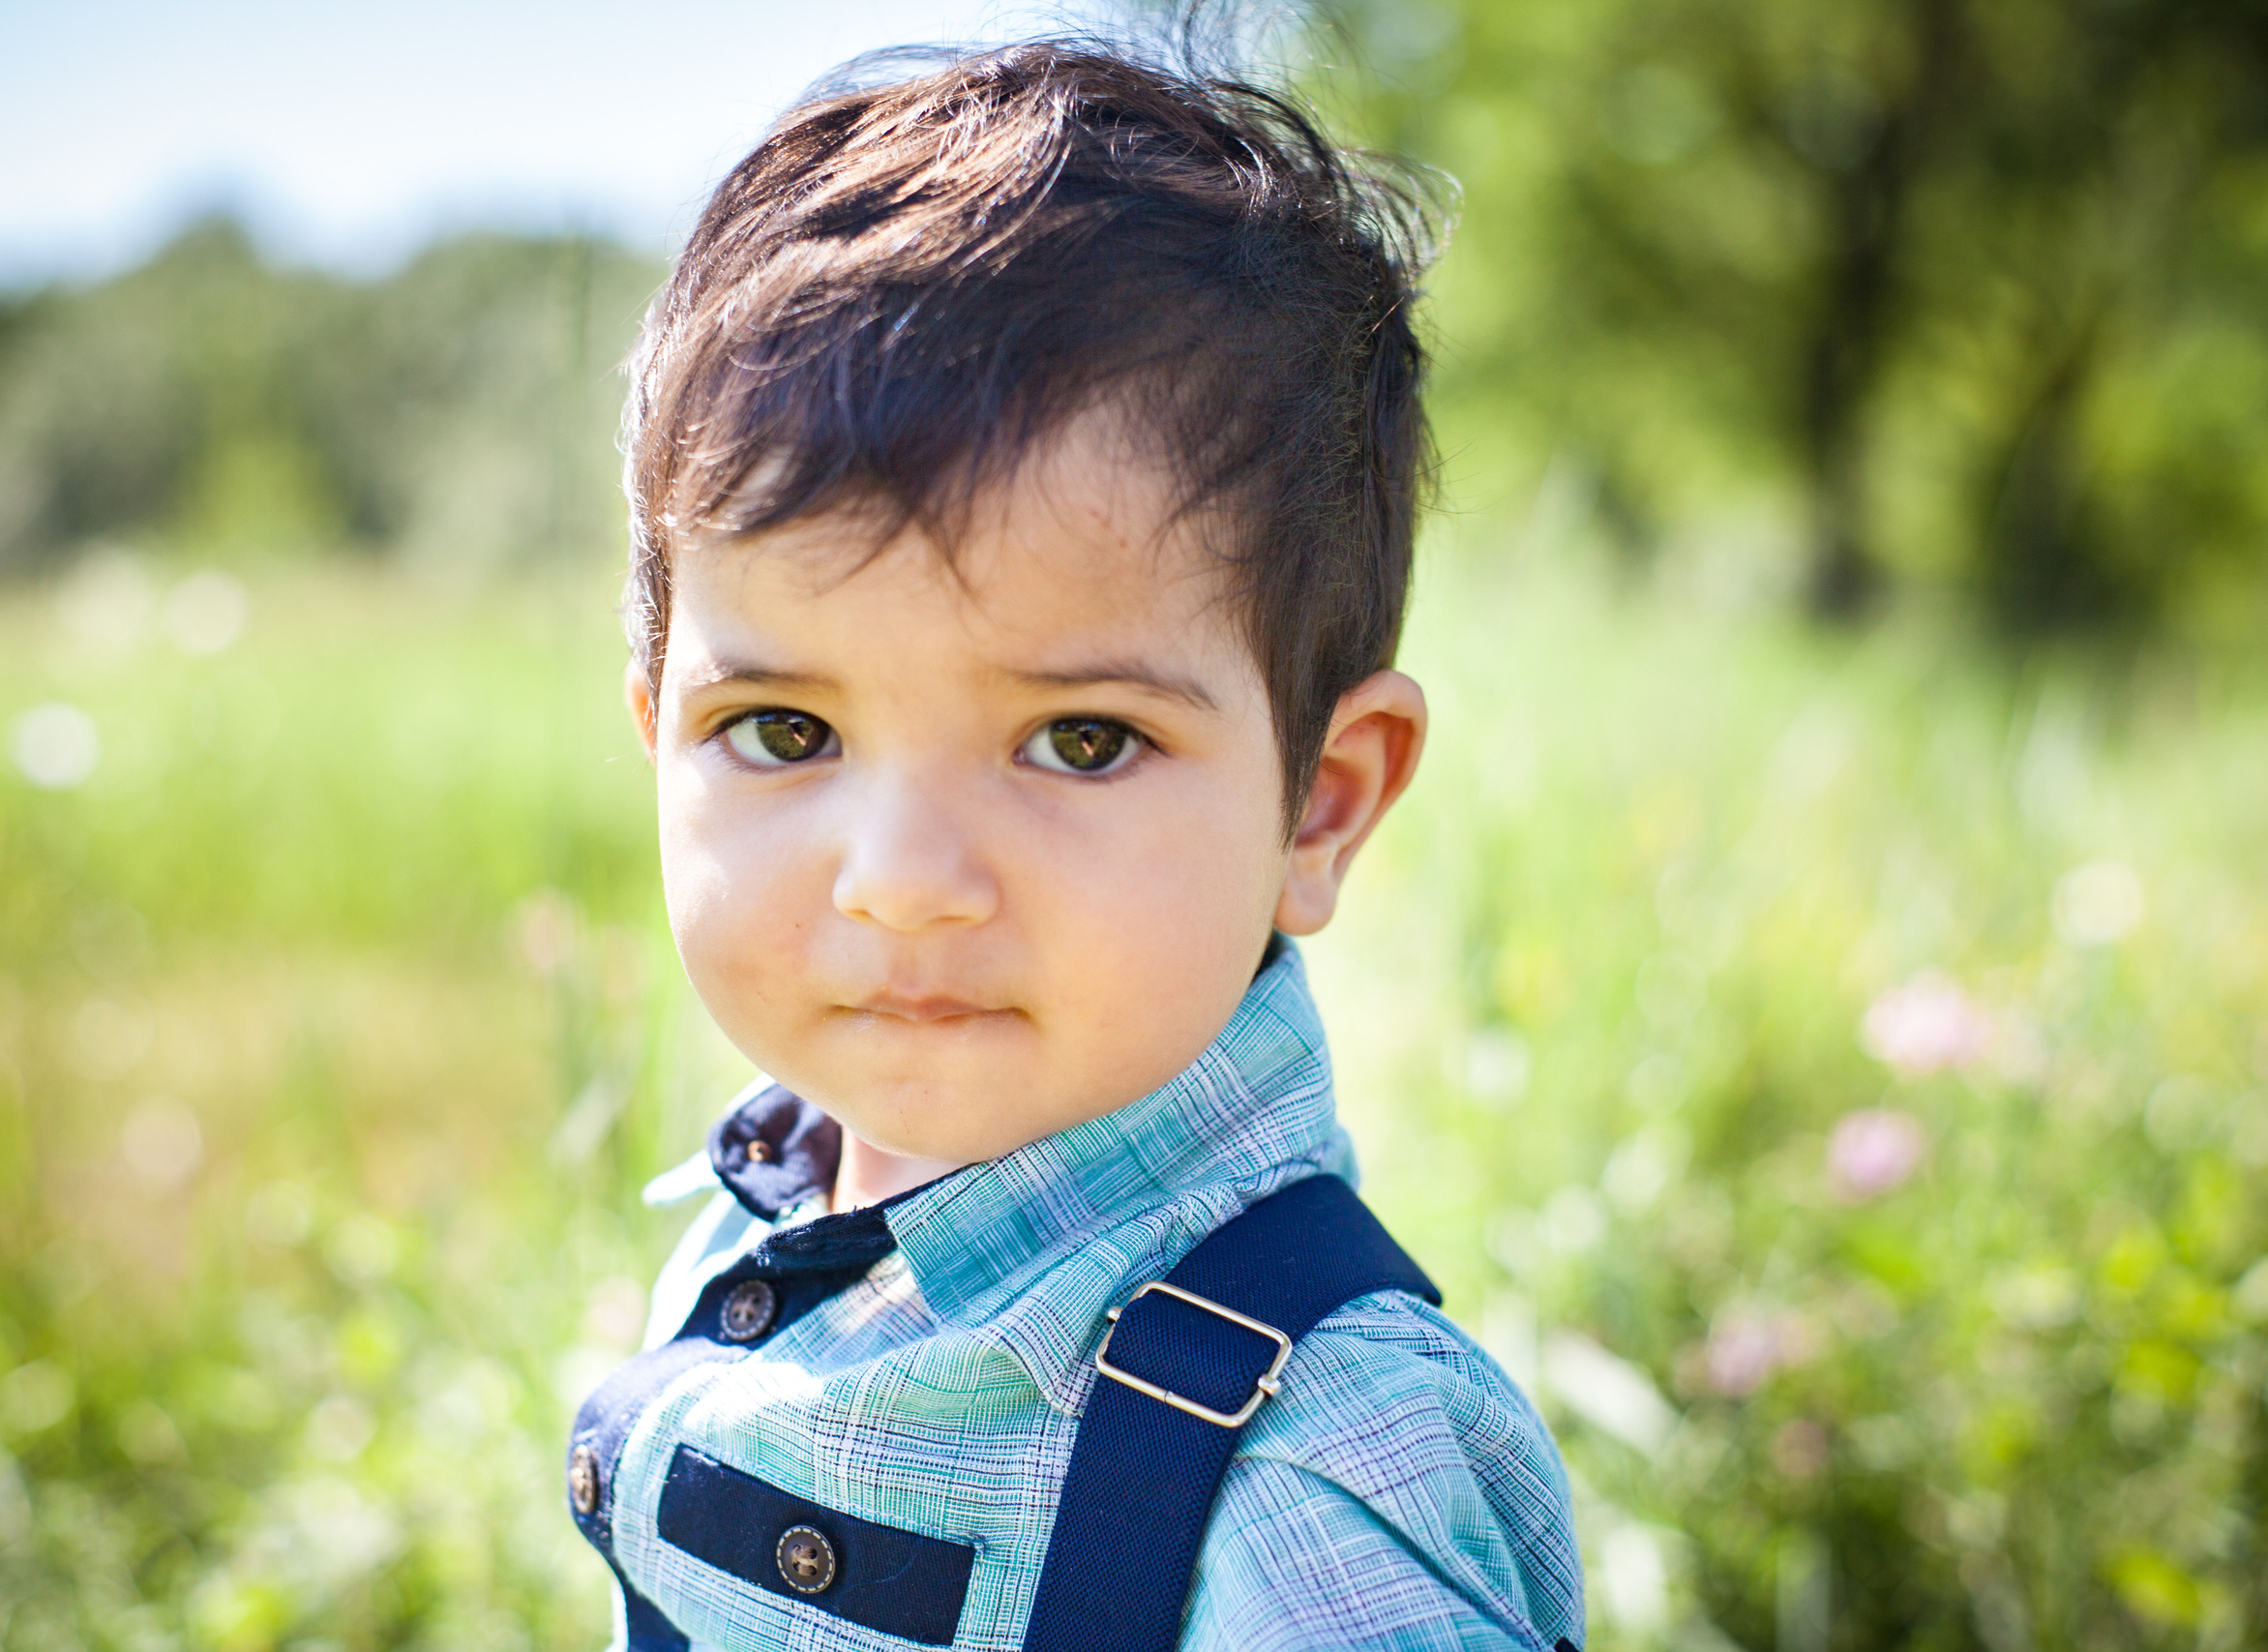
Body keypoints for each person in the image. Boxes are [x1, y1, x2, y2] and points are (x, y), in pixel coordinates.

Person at [566, 34, 1583, 1652]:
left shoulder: (1313, 1463)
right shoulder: (772, 1208)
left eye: (1082, 741)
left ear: (1317, 801)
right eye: (783, 732)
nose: (897, 877)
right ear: (658, 740)